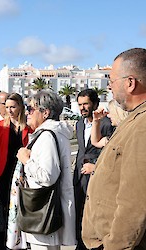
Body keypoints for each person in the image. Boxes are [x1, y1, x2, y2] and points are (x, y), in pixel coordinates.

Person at [82, 48, 146, 249]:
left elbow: (135, 201)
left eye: (112, 81)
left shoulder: (142, 125)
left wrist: (114, 245)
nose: (109, 87)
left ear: (130, 83)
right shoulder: (134, 120)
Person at [7, 90, 76, 250]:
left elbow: (47, 176)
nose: (27, 113)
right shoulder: (54, 133)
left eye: (31, 109)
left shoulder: (46, 137)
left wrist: (26, 160)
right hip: (47, 210)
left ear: (45, 113)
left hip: (41, 210)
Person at [0, 93, 32, 250]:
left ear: (20, 106)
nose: (9, 110)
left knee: (21, 212)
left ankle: (19, 245)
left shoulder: (29, 127)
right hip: (3, 175)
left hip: (22, 176)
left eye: (13, 107)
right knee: (2, 213)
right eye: (7, 107)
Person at [73, 89, 114, 250]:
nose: (82, 108)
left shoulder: (107, 124)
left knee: (94, 215)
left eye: (86, 104)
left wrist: (95, 165)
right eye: (80, 105)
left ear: (95, 104)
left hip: (96, 176)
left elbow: (111, 152)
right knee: (79, 214)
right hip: (79, 178)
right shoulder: (79, 123)